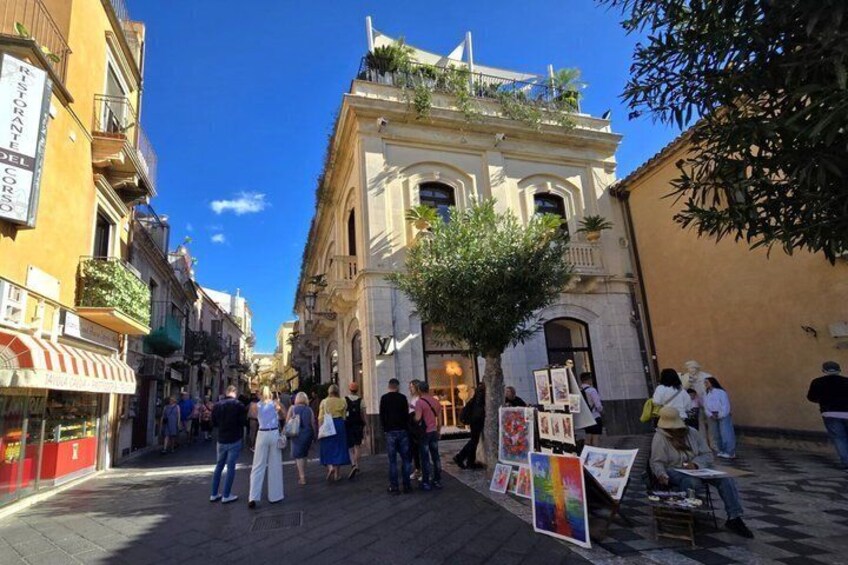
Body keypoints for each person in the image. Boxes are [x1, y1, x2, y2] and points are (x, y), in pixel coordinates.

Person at [650, 406, 753, 538]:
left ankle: (734, 517)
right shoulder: (660, 437)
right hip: (674, 469)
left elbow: (707, 454)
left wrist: (696, 464)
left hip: (698, 468)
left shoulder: (692, 433)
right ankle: (687, 513)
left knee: (725, 479)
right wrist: (661, 474)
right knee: (691, 482)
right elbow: (657, 461)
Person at [807, 361, 848, 470]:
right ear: (839, 370)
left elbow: (811, 397)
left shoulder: (817, 382)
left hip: (830, 413)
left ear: (823, 370)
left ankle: (846, 462)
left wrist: (823, 400)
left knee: (839, 438)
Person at [248, 386, 285, 508]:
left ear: (259, 394)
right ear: (270, 394)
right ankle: (275, 495)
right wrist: (278, 409)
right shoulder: (275, 404)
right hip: (274, 433)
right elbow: (284, 416)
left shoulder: (255, 405)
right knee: (275, 465)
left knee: (258, 465)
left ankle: (253, 496)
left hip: (262, 433)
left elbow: (253, 418)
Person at [210, 385, 247, 504]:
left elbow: (214, 422)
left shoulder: (217, 405)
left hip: (221, 439)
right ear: (235, 393)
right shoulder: (239, 405)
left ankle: (214, 493)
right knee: (231, 467)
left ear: (226, 392)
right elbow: (243, 422)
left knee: (219, 466)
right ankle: (226, 495)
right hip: (235, 438)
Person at [379, 378, 413, 494]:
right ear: (397, 387)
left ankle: (394, 486)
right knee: (406, 459)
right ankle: (407, 485)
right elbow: (406, 414)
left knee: (392, 460)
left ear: (389, 386)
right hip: (403, 431)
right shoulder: (403, 398)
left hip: (390, 431)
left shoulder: (384, 398)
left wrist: (385, 429)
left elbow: (382, 415)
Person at [413, 381, 442, 490]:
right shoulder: (436, 401)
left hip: (424, 433)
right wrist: (439, 431)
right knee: (436, 457)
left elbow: (417, 418)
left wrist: (413, 418)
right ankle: (437, 480)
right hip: (434, 431)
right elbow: (440, 420)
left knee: (425, 458)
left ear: (419, 390)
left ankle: (426, 482)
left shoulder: (419, 402)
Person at [318, 384, 351, 481]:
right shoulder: (342, 401)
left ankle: (330, 467)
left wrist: (320, 428)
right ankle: (337, 474)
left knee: (327, 447)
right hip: (339, 424)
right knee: (338, 448)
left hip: (328, 424)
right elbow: (344, 416)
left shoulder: (324, 402)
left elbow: (320, 417)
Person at [454, 383, 485, 470]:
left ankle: (469, 461)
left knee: (474, 441)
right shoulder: (481, 395)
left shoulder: (475, 396)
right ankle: (461, 457)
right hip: (477, 421)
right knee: (474, 441)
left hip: (474, 421)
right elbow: (479, 411)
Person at [288, 392, 317, 485]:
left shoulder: (292, 408)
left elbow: (287, 421)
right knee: (304, 454)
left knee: (298, 456)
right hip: (307, 433)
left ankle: (302, 477)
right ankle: (303, 473)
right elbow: (313, 423)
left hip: (296, 433)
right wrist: (314, 435)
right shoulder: (309, 409)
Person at [704, 377, 736, 459]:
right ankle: (720, 450)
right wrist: (710, 414)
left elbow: (725, 405)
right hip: (712, 415)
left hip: (722, 415)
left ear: (712, 382)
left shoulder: (721, 392)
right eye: (705, 382)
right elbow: (705, 406)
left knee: (726, 433)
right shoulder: (707, 394)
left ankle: (729, 452)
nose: (705, 384)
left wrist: (721, 415)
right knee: (715, 434)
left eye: (707, 382)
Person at [345, 382, 366, 479]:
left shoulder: (345, 400)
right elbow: (363, 414)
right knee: (358, 446)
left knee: (350, 446)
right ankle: (357, 464)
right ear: (357, 390)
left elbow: (343, 412)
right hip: (358, 425)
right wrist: (365, 423)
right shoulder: (361, 401)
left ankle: (353, 464)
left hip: (349, 425)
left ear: (349, 389)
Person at [580, 373, 604, 446]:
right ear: (588, 380)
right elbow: (598, 405)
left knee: (588, 436)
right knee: (595, 438)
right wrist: (601, 411)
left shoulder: (579, 390)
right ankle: (595, 451)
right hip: (595, 416)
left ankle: (586, 451)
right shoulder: (592, 390)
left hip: (586, 417)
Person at [408, 381, 422, 481]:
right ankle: (417, 469)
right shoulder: (413, 398)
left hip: (417, 426)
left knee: (420, 449)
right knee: (414, 450)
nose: (410, 389)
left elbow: (420, 410)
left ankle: (422, 471)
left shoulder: (419, 398)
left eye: (412, 387)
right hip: (411, 425)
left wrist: (412, 407)